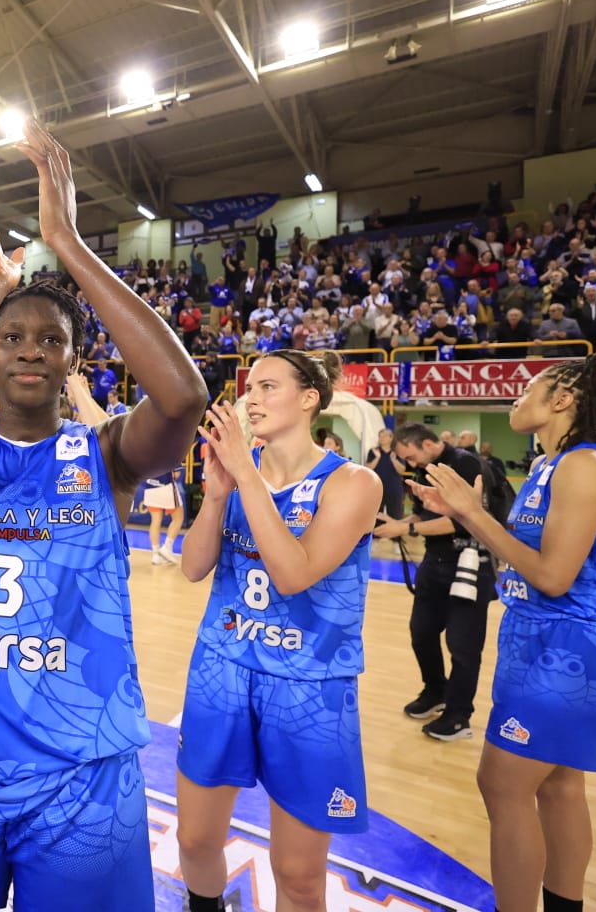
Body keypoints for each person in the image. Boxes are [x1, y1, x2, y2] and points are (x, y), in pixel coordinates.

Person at [0, 118, 207, 912]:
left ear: (71, 361)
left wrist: (68, 244)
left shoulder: (107, 456)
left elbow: (184, 397)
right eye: (10, 337)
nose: (28, 348)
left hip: (82, 774)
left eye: (50, 339)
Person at [408, 355, 596, 912]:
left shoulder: (587, 467)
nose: (516, 397)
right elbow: (526, 556)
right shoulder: (548, 464)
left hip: (573, 645)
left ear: (562, 400)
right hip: (535, 635)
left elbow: (554, 576)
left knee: (503, 785)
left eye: (527, 389)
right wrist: (463, 515)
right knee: (559, 786)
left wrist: (472, 512)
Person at [175, 351, 381, 912]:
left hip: (309, 683)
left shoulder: (354, 482)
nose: (252, 400)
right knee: (193, 840)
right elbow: (193, 567)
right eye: (249, 390)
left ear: (309, 398)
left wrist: (244, 474)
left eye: (268, 387)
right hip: (222, 666)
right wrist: (217, 494)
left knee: (298, 875)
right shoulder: (236, 476)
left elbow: (292, 574)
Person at [375, 422, 496, 741]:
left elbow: (464, 521)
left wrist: (407, 530)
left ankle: (459, 715)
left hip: (469, 563)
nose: (411, 465)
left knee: (463, 646)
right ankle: (435, 691)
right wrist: (398, 523)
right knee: (421, 632)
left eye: (411, 456)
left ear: (428, 444)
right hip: (435, 563)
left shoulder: (467, 465)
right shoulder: (423, 470)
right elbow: (424, 517)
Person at [366, 427, 408, 519]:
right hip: (377, 487)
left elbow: (402, 470)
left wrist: (393, 460)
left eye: (384, 436)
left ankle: (396, 533)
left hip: (394, 488)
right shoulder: (374, 451)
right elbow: (369, 468)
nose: (382, 438)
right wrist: (377, 458)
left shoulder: (398, 452)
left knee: (396, 514)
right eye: (380, 436)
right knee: (375, 515)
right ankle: (376, 533)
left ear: (391, 438)